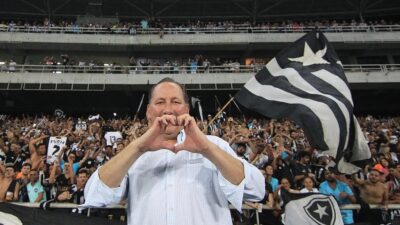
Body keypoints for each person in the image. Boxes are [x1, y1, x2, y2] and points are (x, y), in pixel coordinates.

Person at [84, 77, 265, 225]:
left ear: (186, 109)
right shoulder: (134, 154)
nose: (168, 109)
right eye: (160, 102)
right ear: (148, 112)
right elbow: (95, 195)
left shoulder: (214, 145)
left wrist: (207, 149)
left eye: (176, 102)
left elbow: (255, 189)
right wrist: (138, 148)